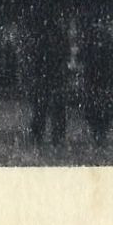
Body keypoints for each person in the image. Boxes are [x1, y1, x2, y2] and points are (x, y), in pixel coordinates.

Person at [79, 22, 113, 145]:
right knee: (98, 108)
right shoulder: (97, 45)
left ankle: (99, 132)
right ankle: (99, 132)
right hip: (97, 81)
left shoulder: (100, 45)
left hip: (101, 81)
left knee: (100, 108)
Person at [28, 18, 69, 147]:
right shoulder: (47, 43)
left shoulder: (43, 42)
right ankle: (46, 135)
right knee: (47, 108)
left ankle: (50, 136)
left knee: (48, 108)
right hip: (49, 78)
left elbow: (37, 61)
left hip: (49, 78)